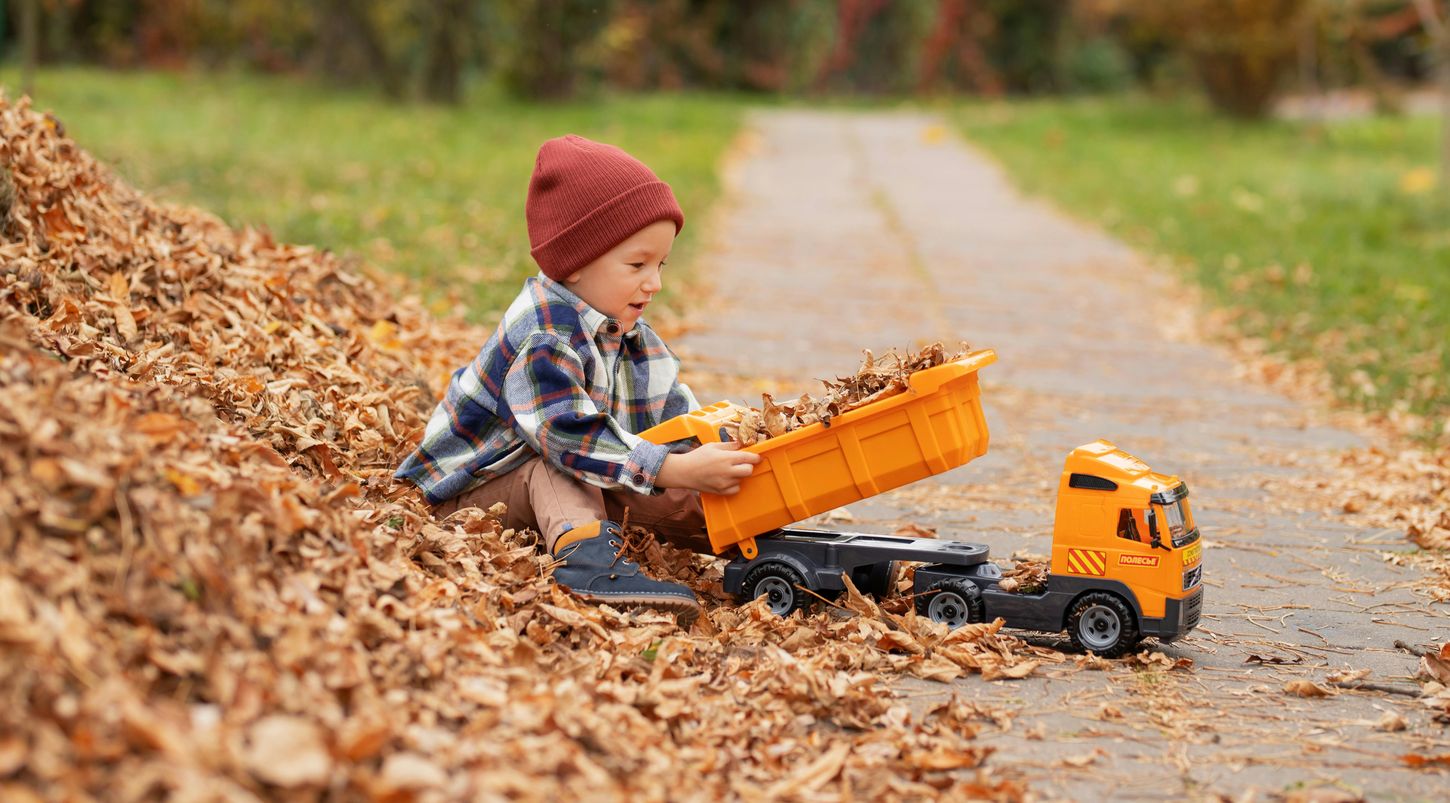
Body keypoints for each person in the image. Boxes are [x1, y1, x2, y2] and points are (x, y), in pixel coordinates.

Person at [395, 135, 759, 624]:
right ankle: (587, 563)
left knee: (678, 480)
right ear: (577, 262)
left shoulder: (629, 331)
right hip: (474, 490)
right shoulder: (544, 333)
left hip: (574, 477)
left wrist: (717, 456)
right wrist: (671, 470)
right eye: (637, 265)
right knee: (560, 462)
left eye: (660, 264)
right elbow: (564, 434)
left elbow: (674, 421)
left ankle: (774, 550)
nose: (654, 282)